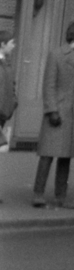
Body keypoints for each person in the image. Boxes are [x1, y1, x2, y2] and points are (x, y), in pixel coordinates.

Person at [34, 20, 74, 210]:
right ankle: (38, 194)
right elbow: (49, 85)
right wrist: (51, 110)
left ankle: (61, 196)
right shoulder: (57, 54)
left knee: (66, 156)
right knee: (48, 154)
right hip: (59, 111)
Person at [0, 30, 15, 203]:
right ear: (3, 44)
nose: (14, 45)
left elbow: (12, 85)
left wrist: (14, 102)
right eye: (11, 42)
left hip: (3, 113)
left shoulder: (6, 62)